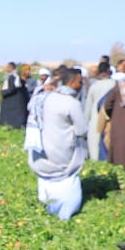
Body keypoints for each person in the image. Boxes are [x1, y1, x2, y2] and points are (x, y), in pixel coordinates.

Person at [27, 66, 87, 221]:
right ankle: (65, 216)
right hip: (61, 157)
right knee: (68, 197)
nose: (81, 86)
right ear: (72, 83)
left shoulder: (43, 97)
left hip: (40, 156)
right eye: (80, 82)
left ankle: (48, 211)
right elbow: (81, 130)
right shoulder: (71, 103)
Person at [84, 62, 115, 161]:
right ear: (108, 71)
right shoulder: (115, 84)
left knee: (94, 155)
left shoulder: (94, 86)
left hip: (94, 122)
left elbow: (88, 109)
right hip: (110, 123)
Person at [0, 62, 28, 129]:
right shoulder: (13, 76)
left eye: (7, 67)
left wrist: (2, 92)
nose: (6, 68)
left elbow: (12, 89)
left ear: (11, 68)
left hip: (13, 101)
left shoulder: (13, 77)